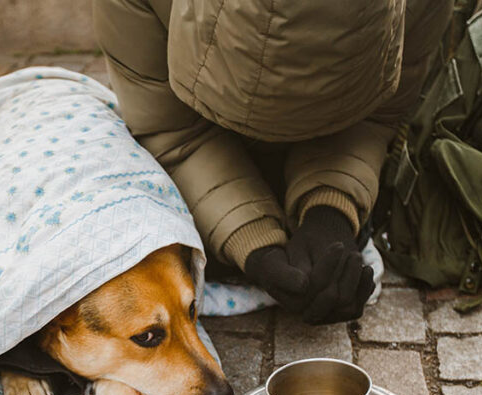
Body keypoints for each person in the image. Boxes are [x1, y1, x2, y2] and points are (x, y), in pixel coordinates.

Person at [94, 0, 453, 324]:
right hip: (198, 139)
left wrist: (331, 211)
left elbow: (379, 116)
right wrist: (251, 240)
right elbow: (173, 131)